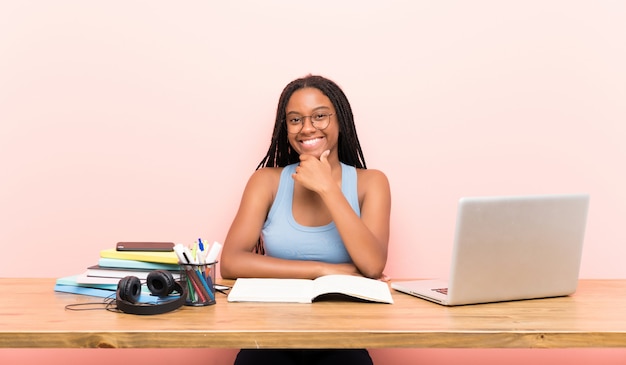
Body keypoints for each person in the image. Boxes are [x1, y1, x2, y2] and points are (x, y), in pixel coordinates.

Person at [220, 74, 391, 365]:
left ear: (340, 121)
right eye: (295, 119)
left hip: (343, 339)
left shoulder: (371, 183)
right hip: (269, 336)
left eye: (320, 116)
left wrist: (326, 187)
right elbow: (231, 262)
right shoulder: (267, 182)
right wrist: (322, 270)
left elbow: (373, 265)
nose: (307, 128)